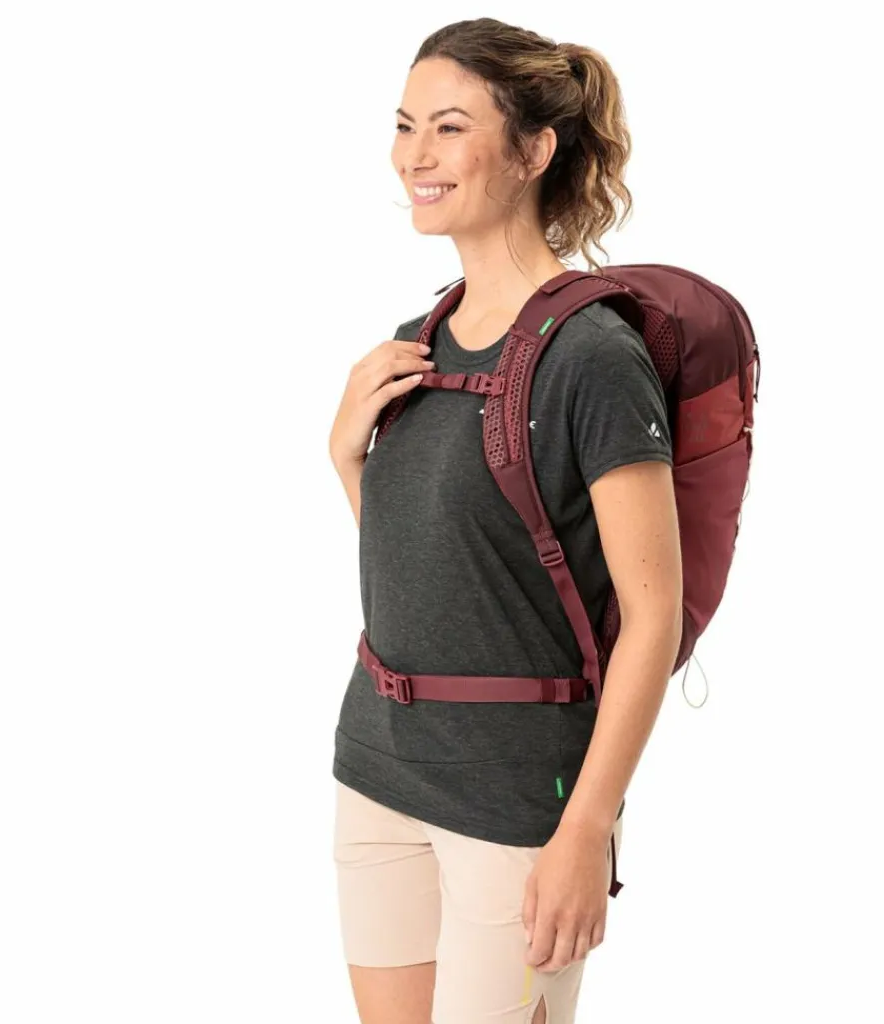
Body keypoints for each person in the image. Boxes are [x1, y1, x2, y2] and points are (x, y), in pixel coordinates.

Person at [327, 17, 683, 1024]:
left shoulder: (593, 358)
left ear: (533, 152)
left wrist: (585, 830)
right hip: (377, 769)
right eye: (405, 126)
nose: (415, 156)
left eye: (449, 128)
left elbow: (654, 618)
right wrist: (347, 461)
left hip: (516, 798)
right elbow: (438, 567)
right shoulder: (418, 342)